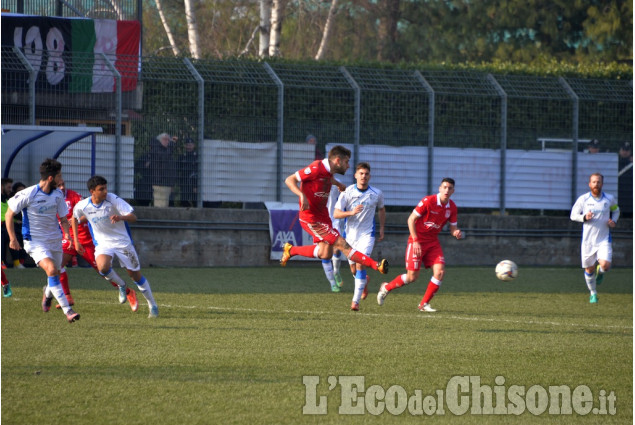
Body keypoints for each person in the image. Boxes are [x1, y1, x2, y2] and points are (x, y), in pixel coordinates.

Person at [280, 145, 389, 277]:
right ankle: (376, 265)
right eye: (346, 162)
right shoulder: (316, 168)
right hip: (311, 218)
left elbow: (327, 178)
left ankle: (291, 250)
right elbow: (289, 180)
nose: (348, 166)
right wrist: (301, 195)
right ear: (338, 160)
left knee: (325, 253)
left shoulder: (328, 171)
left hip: (323, 216)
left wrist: (338, 184)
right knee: (343, 245)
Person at [72, 175, 159, 318]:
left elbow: (133, 217)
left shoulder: (113, 200)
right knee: (103, 267)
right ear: (92, 191)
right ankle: (121, 285)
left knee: (136, 276)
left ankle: (152, 305)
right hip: (103, 243)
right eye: (101, 189)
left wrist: (121, 217)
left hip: (122, 242)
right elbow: (75, 218)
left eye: (105, 188)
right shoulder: (83, 205)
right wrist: (76, 241)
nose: (105, 191)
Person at [5, 158, 80, 323]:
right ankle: (68, 311)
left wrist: (67, 234)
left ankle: (47, 294)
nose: (62, 180)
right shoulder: (28, 193)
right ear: (51, 178)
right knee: (52, 269)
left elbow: (63, 218)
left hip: (55, 240)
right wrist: (12, 239)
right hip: (35, 242)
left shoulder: (58, 194)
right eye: (59, 176)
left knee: (56, 272)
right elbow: (9, 214)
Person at [377, 178, 463, 312]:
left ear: (453, 191)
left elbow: (453, 228)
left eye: (450, 188)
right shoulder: (428, 201)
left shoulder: (452, 208)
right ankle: (386, 288)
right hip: (417, 241)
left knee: (440, 272)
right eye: (444, 187)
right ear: (440, 188)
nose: (447, 190)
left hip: (433, 242)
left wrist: (456, 232)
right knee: (412, 277)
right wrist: (415, 240)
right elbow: (411, 219)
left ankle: (423, 305)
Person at [56, 179, 138, 311]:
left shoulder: (74, 196)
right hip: (70, 238)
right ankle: (64, 296)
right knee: (56, 265)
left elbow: (84, 213)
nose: (61, 187)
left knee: (102, 270)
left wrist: (76, 223)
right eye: (58, 185)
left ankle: (127, 290)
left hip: (86, 240)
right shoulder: (51, 200)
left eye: (63, 184)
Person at [333, 162, 385, 311]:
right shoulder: (347, 192)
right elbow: (336, 213)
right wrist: (351, 212)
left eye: (366, 174)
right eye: (361, 173)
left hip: (367, 235)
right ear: (356, 175)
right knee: (354, 270)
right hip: (349, 236)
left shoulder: (376, 193)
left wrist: (381, 228)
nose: (364, 176)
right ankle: (364, 281)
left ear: (370, 176)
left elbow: (381, 210)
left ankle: (355, 302)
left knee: (360, 263)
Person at [570, 173, 620, 304]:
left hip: (603, 239)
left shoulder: (609, 199)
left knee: (606, 265)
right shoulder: (583, 199)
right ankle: (593, 293)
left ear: (602, 184)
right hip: (588, 242)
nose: (596, 184)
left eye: (598, 182)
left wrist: (613, 221)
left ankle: (601, 272)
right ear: (589, 184)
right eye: (593, 182)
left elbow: (616, 210)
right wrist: (584, 217)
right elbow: (573, 215)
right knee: (589, 269)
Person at [321, 184, 345, 293]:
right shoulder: (315, 182)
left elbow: (345, 196)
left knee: (337, 248)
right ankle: (332, 283)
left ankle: (336, 271)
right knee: (325, 252)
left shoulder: (337, 183)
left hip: (334, 220)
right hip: (321, 222)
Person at [148, 132, 178, 207]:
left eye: (168, 140)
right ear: (159, 140)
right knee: (160, 205)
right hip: (159, 182)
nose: (167, 141)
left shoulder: (167, 151)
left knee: (167, 205)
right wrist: (172, 144)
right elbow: (164, 157)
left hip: (167, 183)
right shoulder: (157, 149)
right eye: (165, 139)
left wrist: (172, 183)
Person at [179, 138, 198, 207]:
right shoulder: (181, 157)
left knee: (196, 202)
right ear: (185, 146)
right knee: (184, 201)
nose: (189, 147)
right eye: (187, 145)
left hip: (195, 183)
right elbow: (178, 169)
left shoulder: (197, 156)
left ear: (194, 145)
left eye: (191, 145)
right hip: (185, 182)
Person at [618, 141, 632, 217]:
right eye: (623, 149)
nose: (625, 152)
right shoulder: (615, 162)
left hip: (629, 197)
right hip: (618, 194)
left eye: (627, 150)